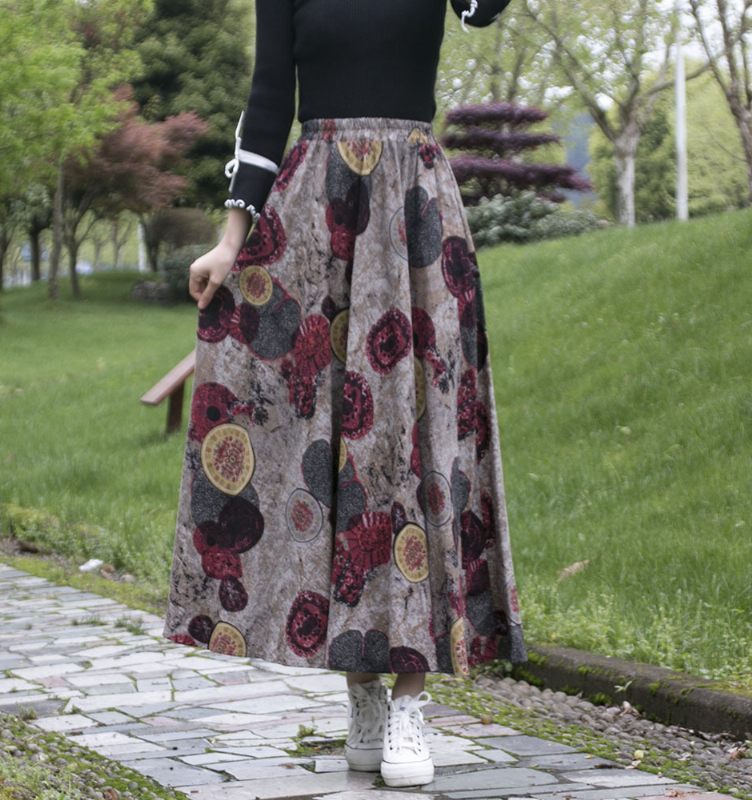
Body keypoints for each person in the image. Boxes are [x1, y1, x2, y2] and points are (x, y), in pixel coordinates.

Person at [162, 0, 528, 788]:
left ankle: (407, 700)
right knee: (326, 444)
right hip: (317, 212)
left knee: (413, 444)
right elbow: (268, 101)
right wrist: (230, 242)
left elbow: (484, 8)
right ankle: (361, 687)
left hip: (413, 210)